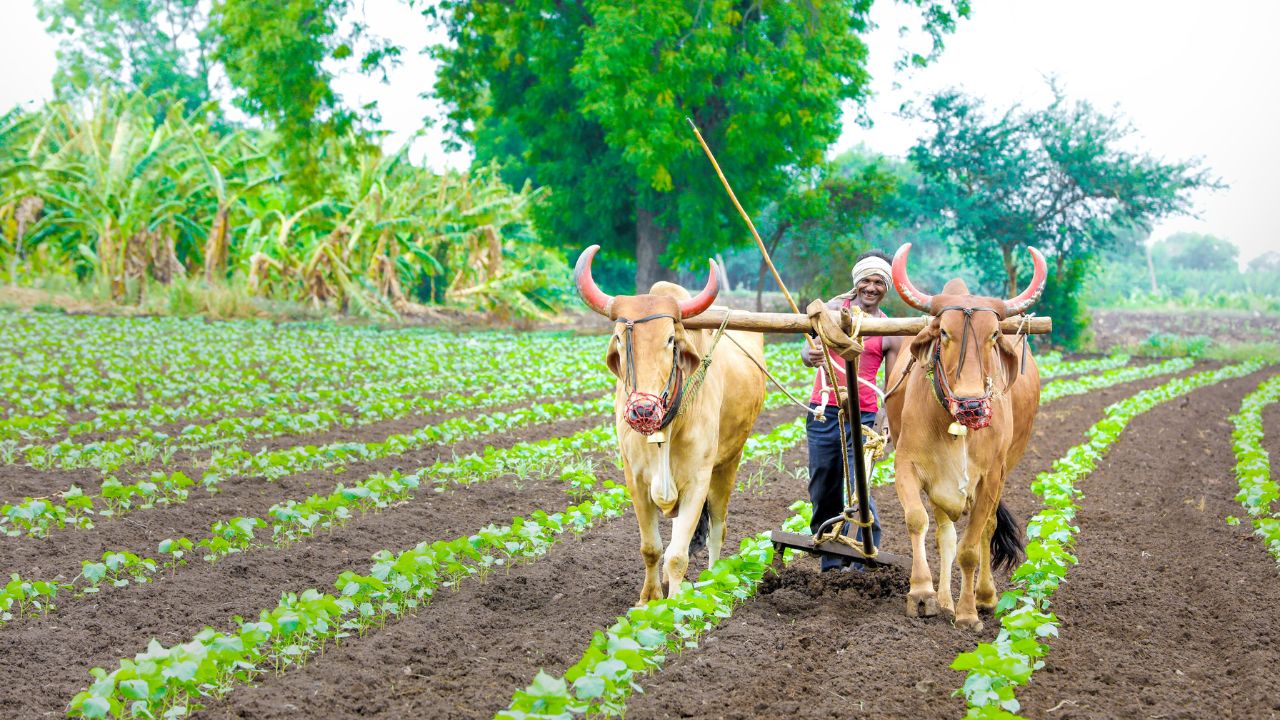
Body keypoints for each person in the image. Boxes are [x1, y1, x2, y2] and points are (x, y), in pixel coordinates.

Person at [801, 250, 903, 571]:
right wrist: (812, 355)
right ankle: (831, 561)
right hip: (823, 409)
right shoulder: (830, 312)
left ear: (885, 287)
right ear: (856, 282)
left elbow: (893, 384)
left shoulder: (891, 329)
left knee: (859, 488)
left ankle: (861, 556)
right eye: (866, 281)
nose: (871, 288)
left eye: (878, 282)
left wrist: (885, 425)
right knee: (823, 484)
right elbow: (808, 350)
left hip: (865, 416)